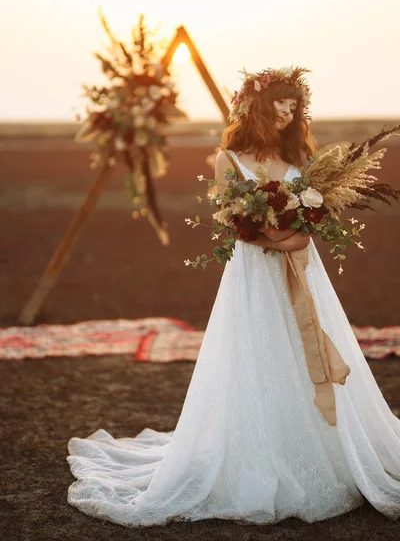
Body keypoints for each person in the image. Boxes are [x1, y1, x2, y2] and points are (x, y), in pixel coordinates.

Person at [67, 66, 400, 527]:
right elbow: (231, 222)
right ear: (258, 107)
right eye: (280, 104)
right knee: (258, 353)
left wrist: (296, 237)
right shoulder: (228, 158)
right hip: (253, 273)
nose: (287, 113)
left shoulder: (300, 156)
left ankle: (327, 446)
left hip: (303, 271)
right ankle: (261, 448)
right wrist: (279, 240)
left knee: (307, 345)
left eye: (294, 107)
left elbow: (312, 217)